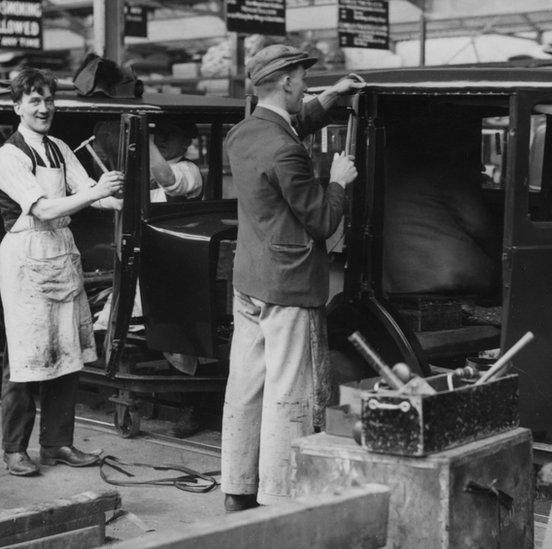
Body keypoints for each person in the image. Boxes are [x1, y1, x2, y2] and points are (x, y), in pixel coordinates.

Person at [221, 44, 363, 512]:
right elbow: (322, 220)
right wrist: (339, 180)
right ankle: (282, 499)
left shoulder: (243, 134)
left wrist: (334, 96)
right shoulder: (287, 151)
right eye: (303, 79)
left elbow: (289, 123)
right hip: (289, 285)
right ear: (285, 82)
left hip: (250, 280)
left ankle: (238, 489)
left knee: (245, 387)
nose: (306, 86)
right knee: (289, 393)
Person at [0, 68, 124, 477]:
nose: (44, 107)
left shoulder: (60, 148)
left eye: (48, 99)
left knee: (67, 351)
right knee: (26, 355)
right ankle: (15, 450)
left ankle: (57, 444)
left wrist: (119, 198)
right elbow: (44, 207)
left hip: (61, 252)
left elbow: (88, 195)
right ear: (17, 107)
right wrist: (95, 193)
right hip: (27, 254)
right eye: (34, 100)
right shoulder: (7, 157)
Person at [89, 120, 206, 437]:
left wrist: (145, 139)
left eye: (172, 134)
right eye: (160, 135)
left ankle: (189, 408)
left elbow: (167, 180)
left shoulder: (188, 170)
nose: (165, 140)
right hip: (142, 263)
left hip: (175, 266)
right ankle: (124, 392)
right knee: (116, 326)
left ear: (187, 142)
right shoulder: (141, 171)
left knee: (180, 343)